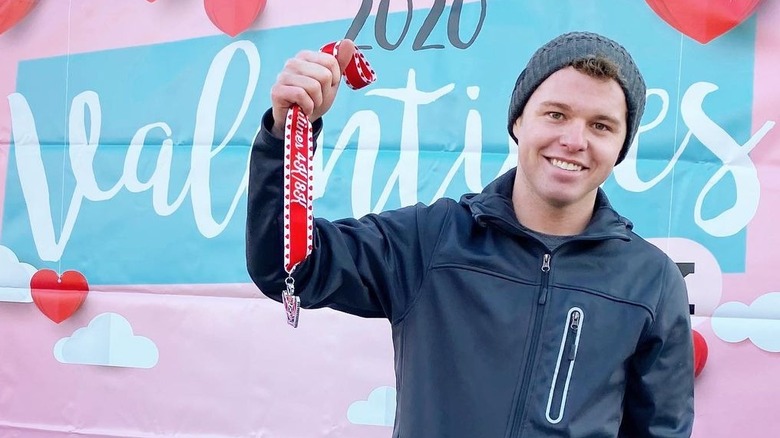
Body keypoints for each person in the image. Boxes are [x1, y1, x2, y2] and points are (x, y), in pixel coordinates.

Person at [246, 32, 694, 437]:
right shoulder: (431, 240)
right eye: (556, 114)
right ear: (519, 122)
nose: (574, 140)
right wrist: (288, 135)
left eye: (601, 125)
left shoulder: (651, 280)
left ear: (621, 146)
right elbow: (288, 265)